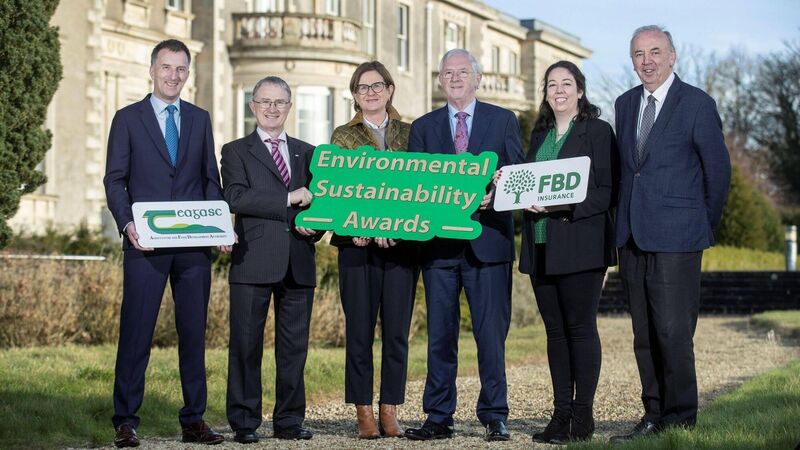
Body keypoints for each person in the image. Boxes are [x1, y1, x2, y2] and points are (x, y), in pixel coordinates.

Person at [103, 39, 227, 447]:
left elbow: (210, 179)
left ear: (188, 73)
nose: (173, 75)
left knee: (193, 335)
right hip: (145, 244)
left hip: (193, 247)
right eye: (166, 67)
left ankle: (194, 420)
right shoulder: (127, 119)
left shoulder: (199, 119)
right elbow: (115, 180)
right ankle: (125, 421)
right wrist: (127, 224)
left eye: (181, 69)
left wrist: (220, 227)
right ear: (152, 70)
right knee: (136, 332)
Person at [611, 26, 731, 441]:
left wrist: (700, 224)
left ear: (672, 56)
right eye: (639, 54)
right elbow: (629, 170)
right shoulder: (625, 103)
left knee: (673, 332)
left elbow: (718, 172)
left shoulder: (697, 103)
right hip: (632, 237)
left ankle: (680, 420)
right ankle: (653, 415)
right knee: (643, 334)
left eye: (655, 52)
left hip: (679, 238)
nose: (647, 61)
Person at [404, 48, 524, 442]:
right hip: (439, 248)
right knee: (440, 336)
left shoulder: (503, 120)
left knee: (491, 336)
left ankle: (494, 414)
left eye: (462, 72)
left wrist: (496, 196)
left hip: (488, 244)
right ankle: (439, 416)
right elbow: (414, 188)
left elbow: (518, 176)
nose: (454, 78)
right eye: (447, 73)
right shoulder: (423, 128)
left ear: (477, 78)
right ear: (440, 80)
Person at [516, 61, 618, 444]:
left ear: (580, 91)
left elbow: (607, 191)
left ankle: (583, 416)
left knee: (580, 328)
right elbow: (530, 183)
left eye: (566, 84)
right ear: (545, 93)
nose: (559, 90)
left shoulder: (597, 131)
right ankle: (560, 416)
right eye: (552, 84)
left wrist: (564, 205)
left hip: (580, 244)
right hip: (541, 244)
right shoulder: (539, 135)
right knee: (555, 333)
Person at [221, 76, 320, 444]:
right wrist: (287, 199)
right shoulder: (235, 151)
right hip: (253, 259)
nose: (272, 108)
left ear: (289, 107)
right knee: (246, 346)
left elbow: (320, 202)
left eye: (279, 102)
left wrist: (315, 228)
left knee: (294, 349)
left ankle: (289, 421)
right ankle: (244, 421)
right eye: (265, 101)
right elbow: (235, 197)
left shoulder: (308, 152)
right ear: (253, 106)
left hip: (298, 259)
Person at [329, 61, 417, 439]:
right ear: (354, 95)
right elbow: (337, 188)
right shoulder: (342, 136)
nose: (370, 93)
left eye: (377, 85)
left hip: (400, 248)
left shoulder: (411, 134)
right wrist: (356, 228)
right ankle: (363, 410)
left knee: (396, 332)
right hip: (357, 248)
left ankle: (389, 408)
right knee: (360, 332)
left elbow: (419, 189)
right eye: (362, 87)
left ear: (390, 89)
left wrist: (398, 230)